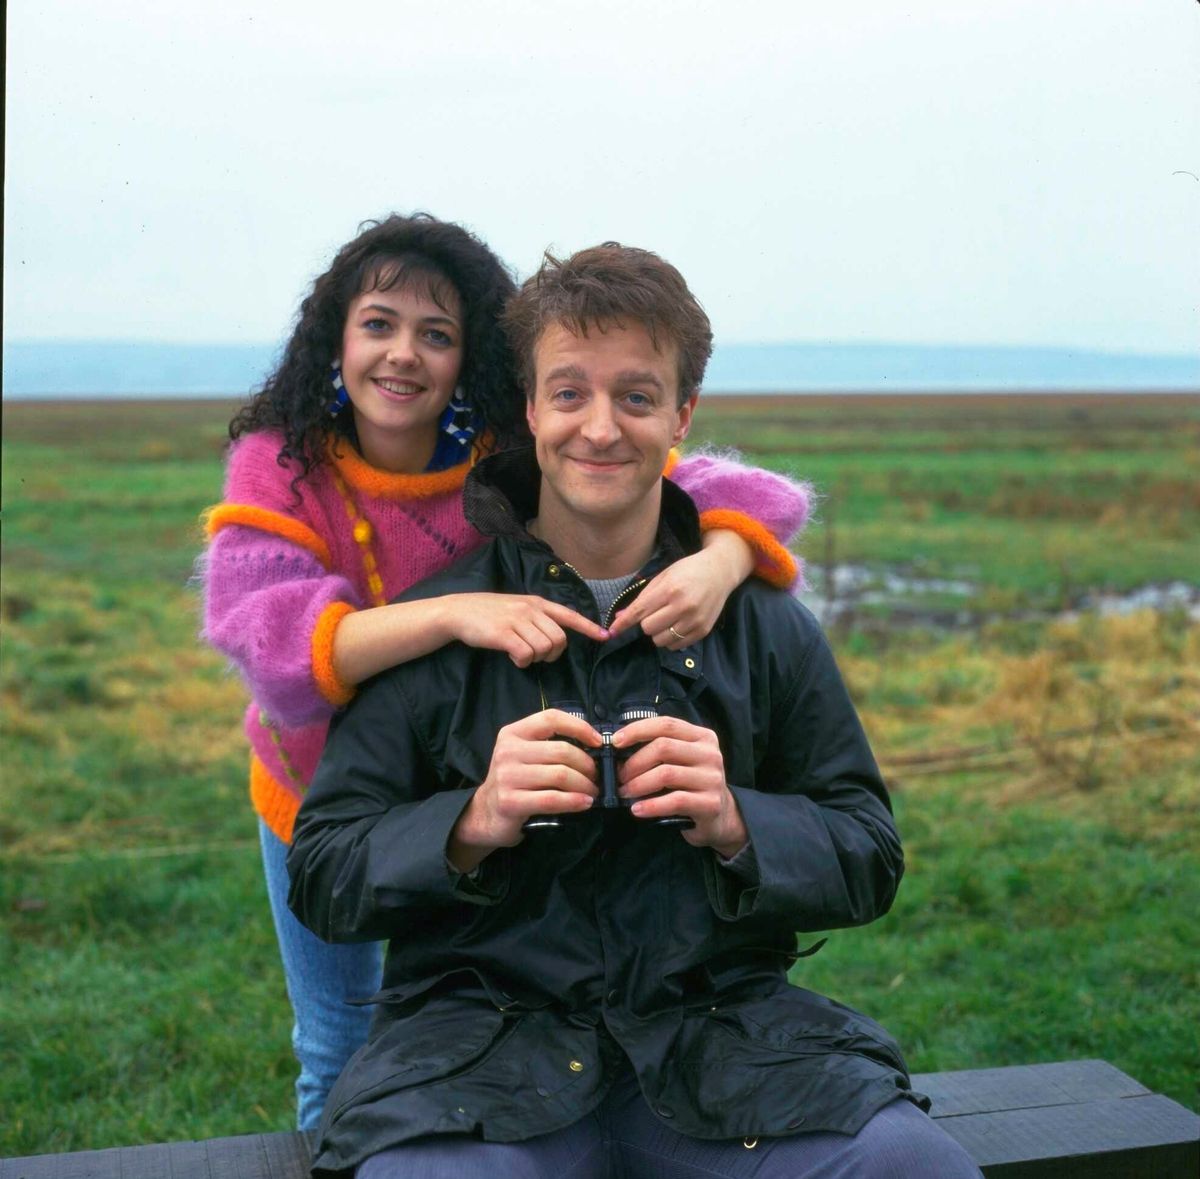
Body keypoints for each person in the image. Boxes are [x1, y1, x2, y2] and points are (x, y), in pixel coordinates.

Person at [286, 243, 982, 1177]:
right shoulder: (438, 626)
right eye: (569, 393)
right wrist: (471, 821)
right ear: (530, 409)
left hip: (729, 1052)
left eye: (637, 396)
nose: (601, 427)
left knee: (911, 1166)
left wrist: (738, 820)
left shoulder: (763, 624)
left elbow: (870, 852)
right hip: (478, 1071)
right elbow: (322, 871)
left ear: (682, 414)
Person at [201, 214, 814, 1131]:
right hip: (316, 797)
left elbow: (741, 493)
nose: (402, 354)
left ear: (469, 357)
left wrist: (722, 560)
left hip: (472, 791)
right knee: (333, 1043)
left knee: (446, 1030)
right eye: (378, 324)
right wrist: (454, 611)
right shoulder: (279, 464)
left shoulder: (507, 454)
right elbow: (275, 654)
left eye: (436, 333)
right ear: (335, 338)